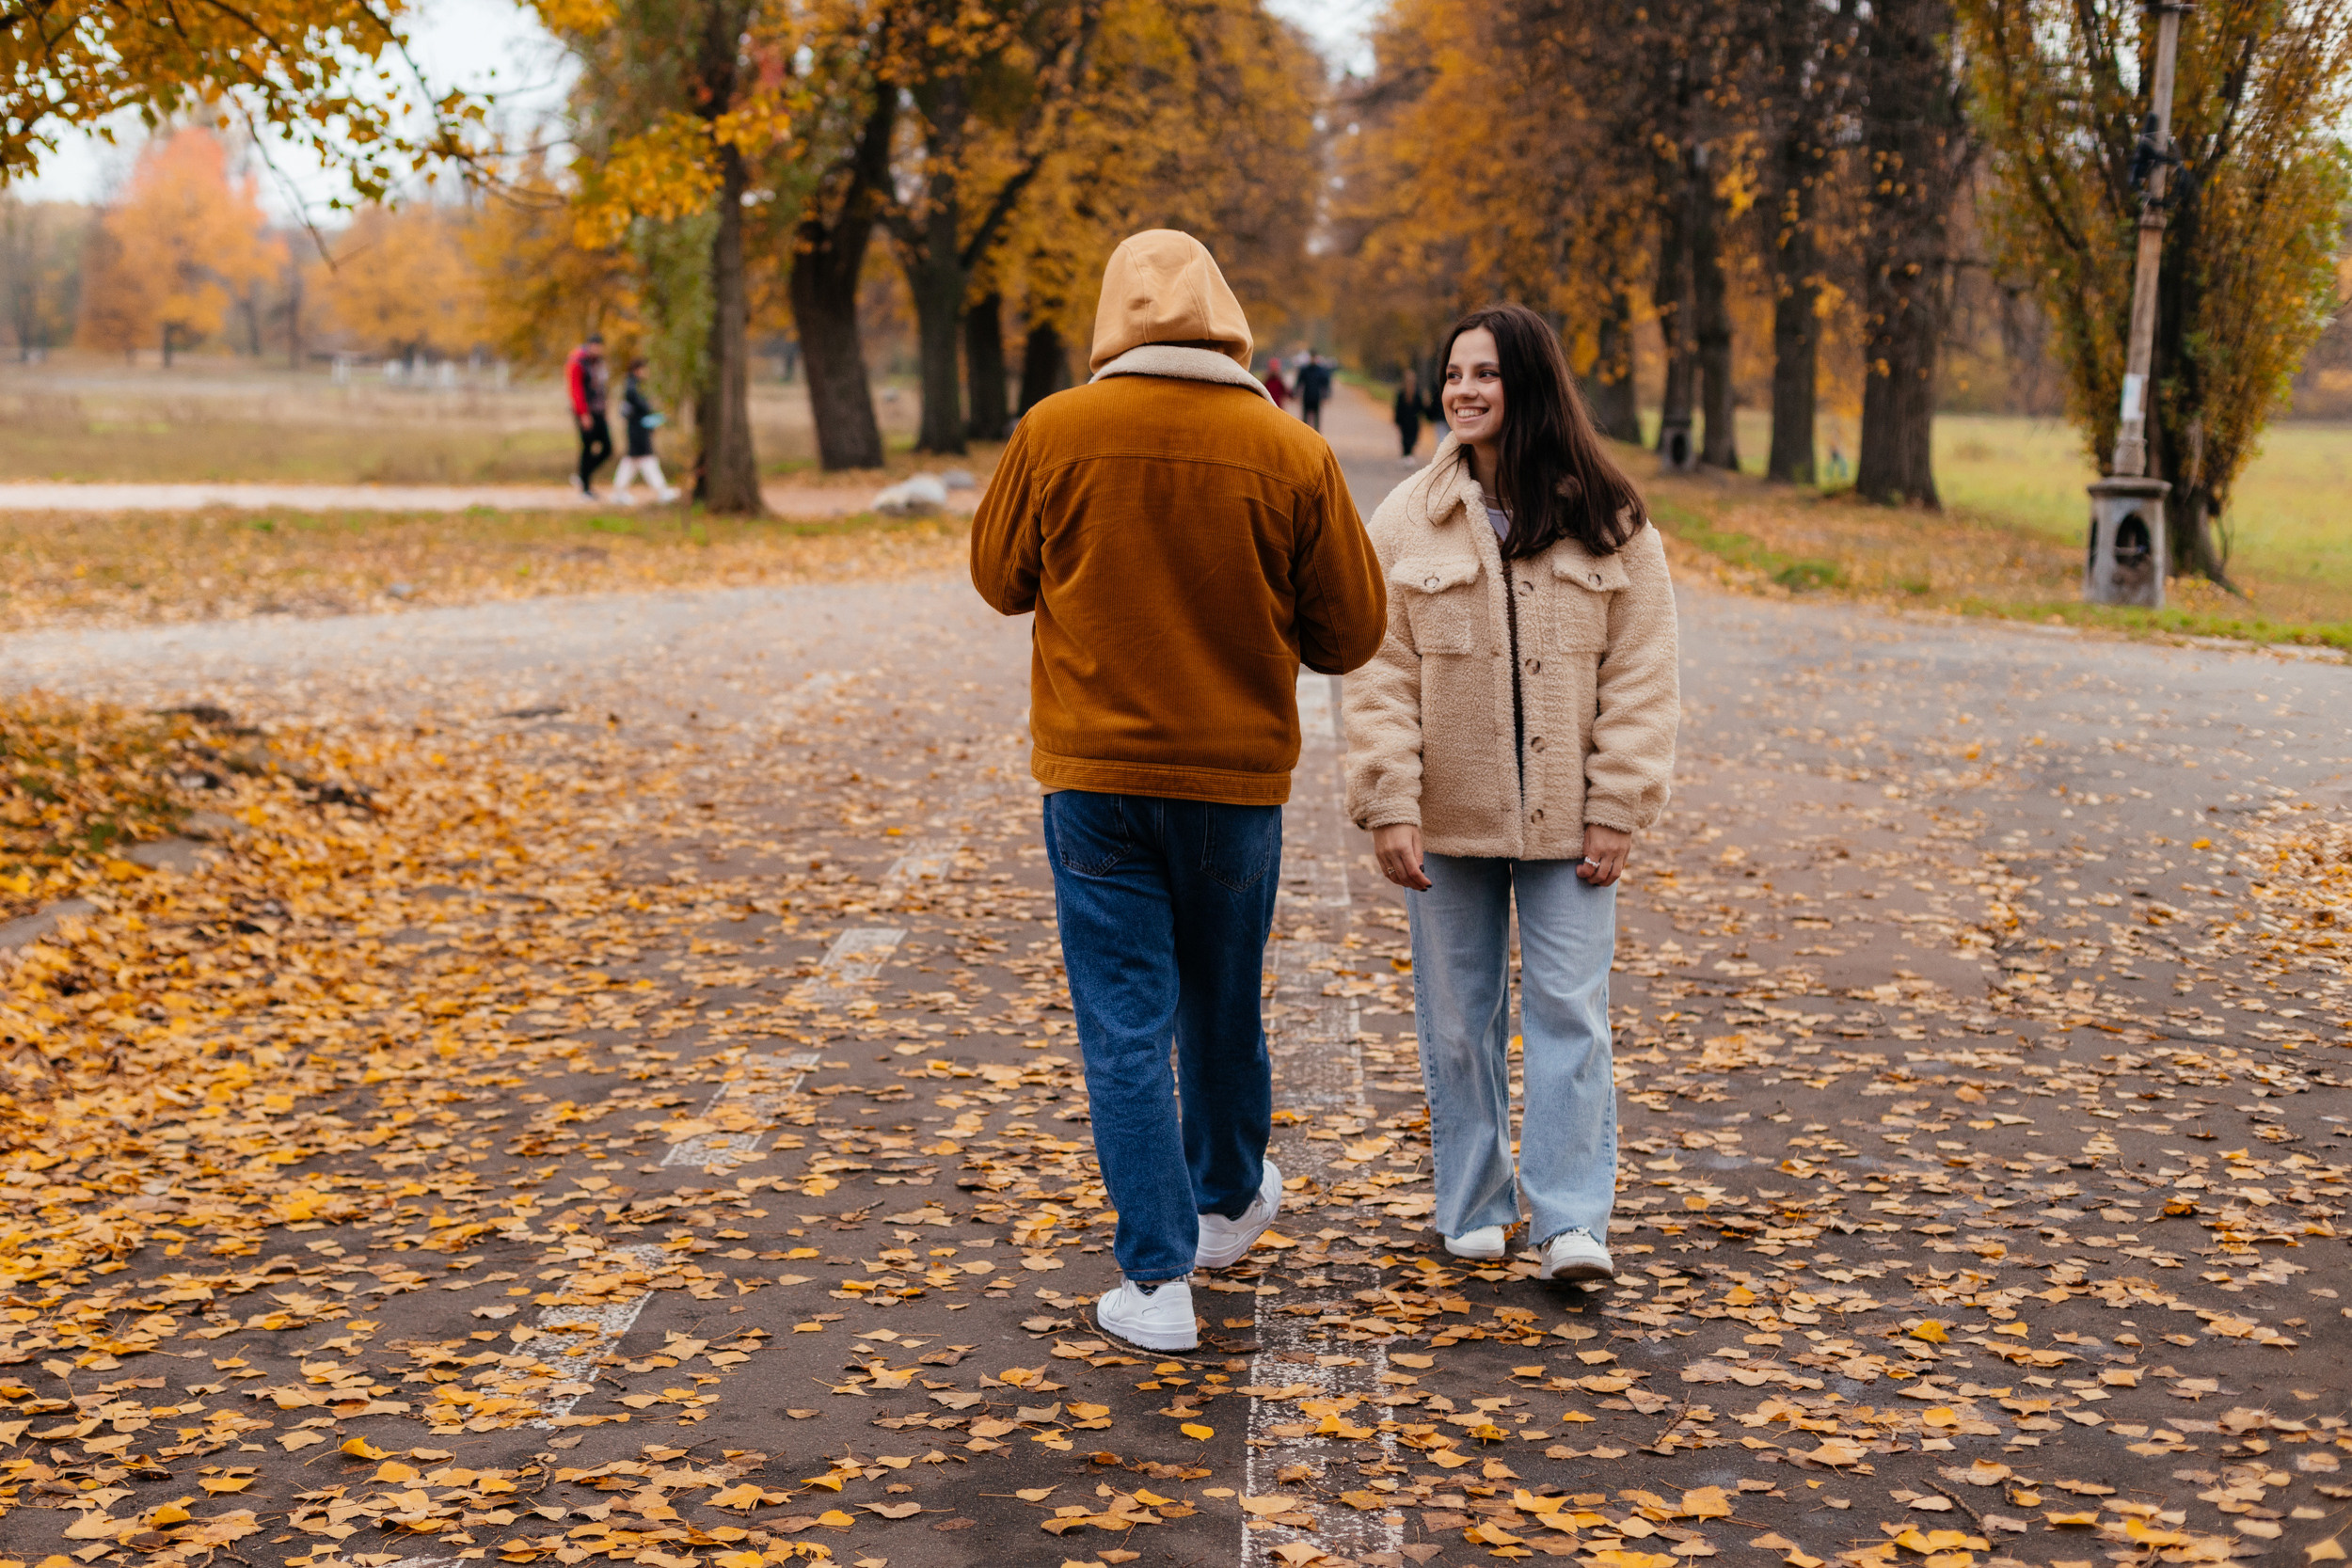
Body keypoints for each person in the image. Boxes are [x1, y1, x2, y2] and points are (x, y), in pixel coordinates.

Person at [970, 230, 1388, 1352]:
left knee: (1121, 1024)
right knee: (1221, 995)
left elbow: (999, 579)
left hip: (1094, 780)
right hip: (1233, 779)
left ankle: (1155, 1283)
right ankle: (1227, 1198)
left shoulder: (1055, 431)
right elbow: (1352, 632)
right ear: (1224, 314)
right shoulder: (1287, 448)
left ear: (1112, 318)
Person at [1343, 302, 1679, 1284]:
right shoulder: (1406, 520)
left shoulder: (1611, 520)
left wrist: (1619, 804)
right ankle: (1475, 1202)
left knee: (1570, 1011)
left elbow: (1643, 673)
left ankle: (1571, 1220)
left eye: (1484, 373)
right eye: (1452, 374)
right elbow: (1376, 673)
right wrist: (1388, 798)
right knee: (1457, 1017)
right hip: (1445, 821)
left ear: (1527, 382)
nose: (1463, 391)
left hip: (1573, 824)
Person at [612, 360, 681, 502]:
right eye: (645, 369)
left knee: (631, 461)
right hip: (638, 430)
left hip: (638, 429)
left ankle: (619, 492)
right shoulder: (631, 388)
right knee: (647, 460)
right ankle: (661, 491)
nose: (647, 372)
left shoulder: (634, 386)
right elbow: (642, 408)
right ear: (637, 370)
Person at [565, 334, 612, 498]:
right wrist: (583, 414)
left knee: (607, 448)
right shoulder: (578, 362)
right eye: (596, 346)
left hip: (599, 412)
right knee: (587, 448)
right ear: (590, 345)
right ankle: (585, 488)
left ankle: (582, 476)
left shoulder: (598, 362)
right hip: (585, 412)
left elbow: (602, 388)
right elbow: (576, 390)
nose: (598, 349)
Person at [1393, 367, 1423, 461]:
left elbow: (1421, 408)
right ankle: (1406, 455)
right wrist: (1397, 420)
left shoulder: (1417, 394)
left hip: (1414, 421)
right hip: (1404, 421)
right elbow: (1397, 408)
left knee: (1413, 439)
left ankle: (1409, 455)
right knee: (1405, 439)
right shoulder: (1401, 394)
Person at [1296, 353, 1331, 431]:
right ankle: (1304, 434)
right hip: (1307, 397)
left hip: (1316, 397)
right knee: (1305, 419)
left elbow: (1326, 383)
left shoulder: (1320, 371)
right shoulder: (1305, 370)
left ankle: (1316, 435)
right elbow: (1299, 382)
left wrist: (1326, 395)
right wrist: (1297, 394)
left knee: (1316, 420)